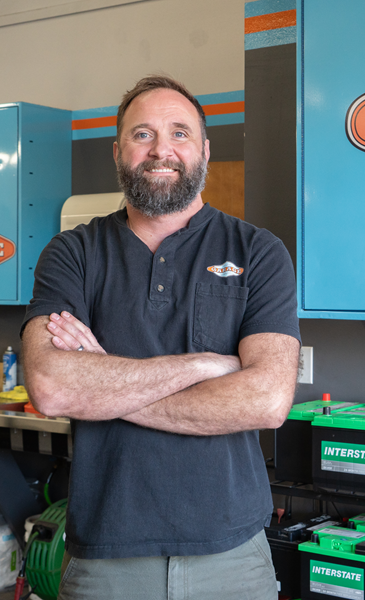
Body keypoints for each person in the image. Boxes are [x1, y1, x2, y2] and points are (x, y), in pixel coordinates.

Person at [21, 75, 301, 599]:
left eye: (179, 133)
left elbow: (266, 401)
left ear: (204, 150)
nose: (161, 150)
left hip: (232, 557)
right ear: (118, 151)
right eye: (142, 134)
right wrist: (203, 365)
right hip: (106, 556)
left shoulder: (260, 252)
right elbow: (53, 388)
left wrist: (104, 386)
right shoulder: (72, 254)